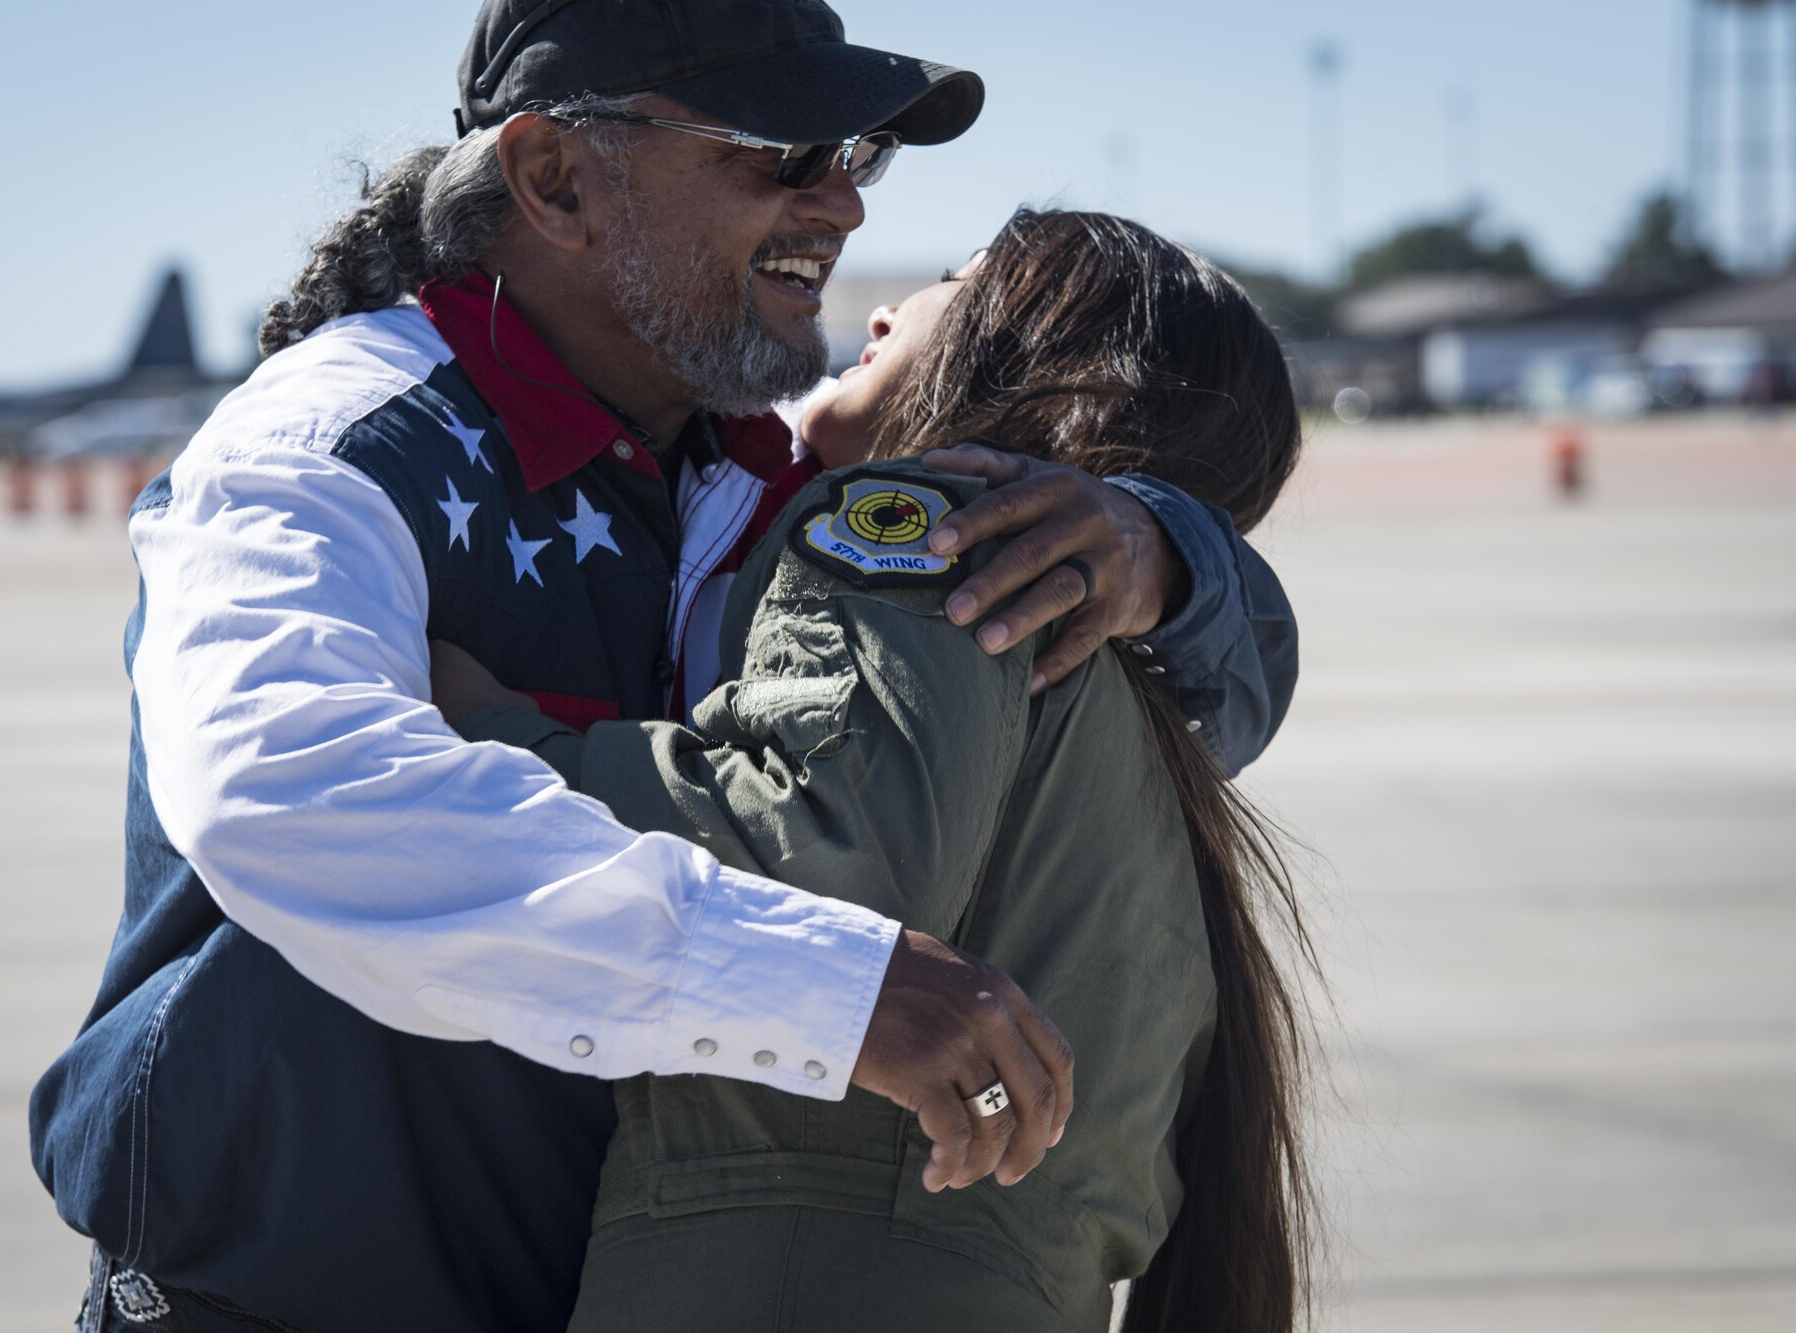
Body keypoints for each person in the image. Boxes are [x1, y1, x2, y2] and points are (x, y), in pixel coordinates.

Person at [29, 4, 1300, 1331]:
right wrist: (824, 988)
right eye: (780, 150)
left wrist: (1171, 549)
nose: (843, 207)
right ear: (556, 180)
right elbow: (284, 795)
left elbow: (1178, 698)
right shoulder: (334, 443)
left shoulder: (764, 468)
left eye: (854, 154)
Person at [433, 210, 1315, 1332]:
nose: (888, 305)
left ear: (1052, 358)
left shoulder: (920, 531)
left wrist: (490, 735)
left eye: (957, 280)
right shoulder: (1143, 722)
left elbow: (826, 865)